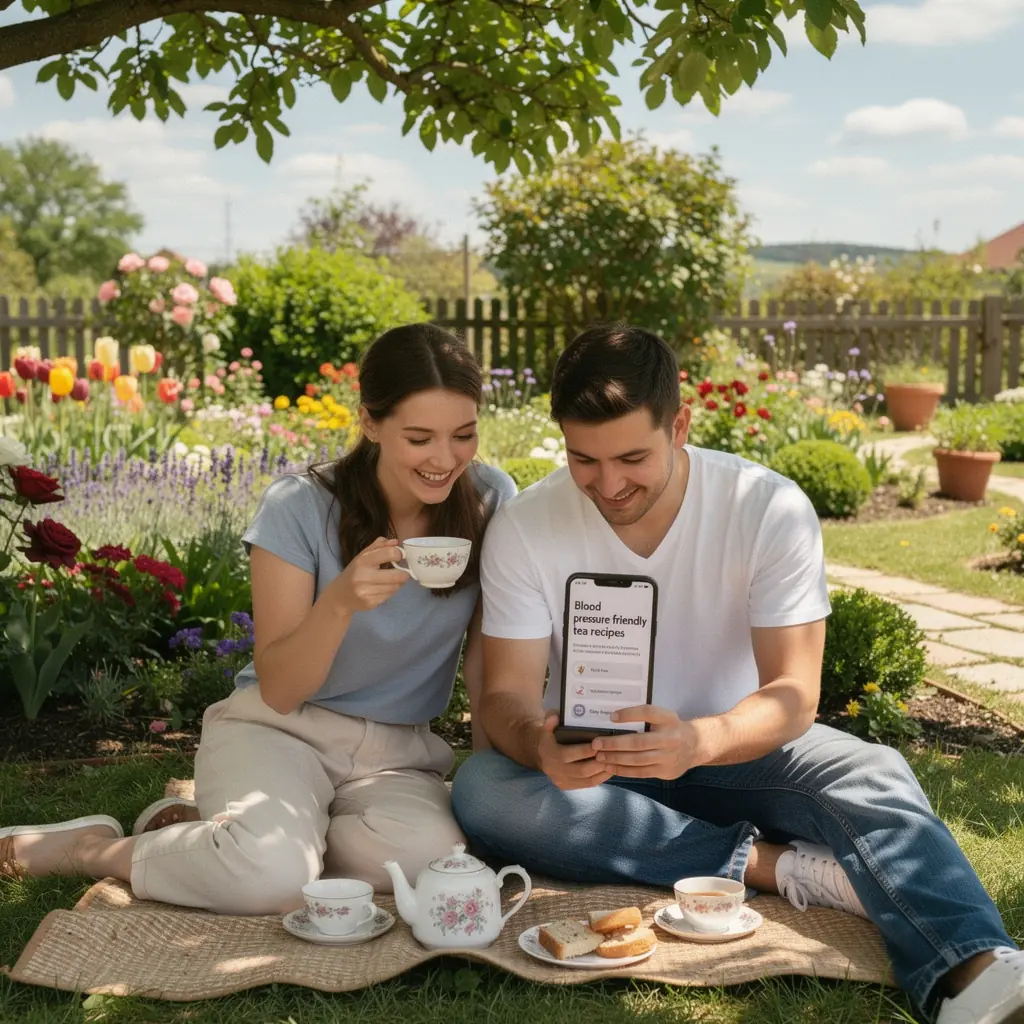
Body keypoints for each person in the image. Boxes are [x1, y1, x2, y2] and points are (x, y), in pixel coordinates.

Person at [450, 324, 1023, 1024]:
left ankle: (976, 969)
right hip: (599, 765)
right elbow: (505, 695)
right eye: (584, 460)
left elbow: (794, 695)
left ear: (680, 425)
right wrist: (538, 745)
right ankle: (777, 867)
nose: (609, 484)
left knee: (872, 770)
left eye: (632, 457)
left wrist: (700, 740)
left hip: (743, 751)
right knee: (484, 788)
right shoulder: (527, 524)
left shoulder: (766, 507)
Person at [0, 323, 516, 915]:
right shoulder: (299, 507)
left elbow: (485, 663)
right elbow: (280, 689)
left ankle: (235, 836)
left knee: (433, 863)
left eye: (464, 435)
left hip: (399, 754)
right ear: (370, 423)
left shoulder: (491, 500)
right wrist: (339, 603)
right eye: (420, 438)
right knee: (272, 878)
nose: (445, 459)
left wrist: (489, 789)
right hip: (281, 730)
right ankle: (94, 849)